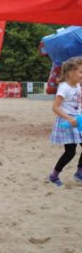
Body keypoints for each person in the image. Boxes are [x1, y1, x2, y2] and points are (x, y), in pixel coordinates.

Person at [48, 57, 82, 187]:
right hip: (67, 121)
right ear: (70, 73)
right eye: (81, 72)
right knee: (70, 152)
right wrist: (69, 118)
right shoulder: (64, 88)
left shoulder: (78, 85)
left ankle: (79, 173)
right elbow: (55, 107)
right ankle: (54, 175)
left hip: (78, 119)